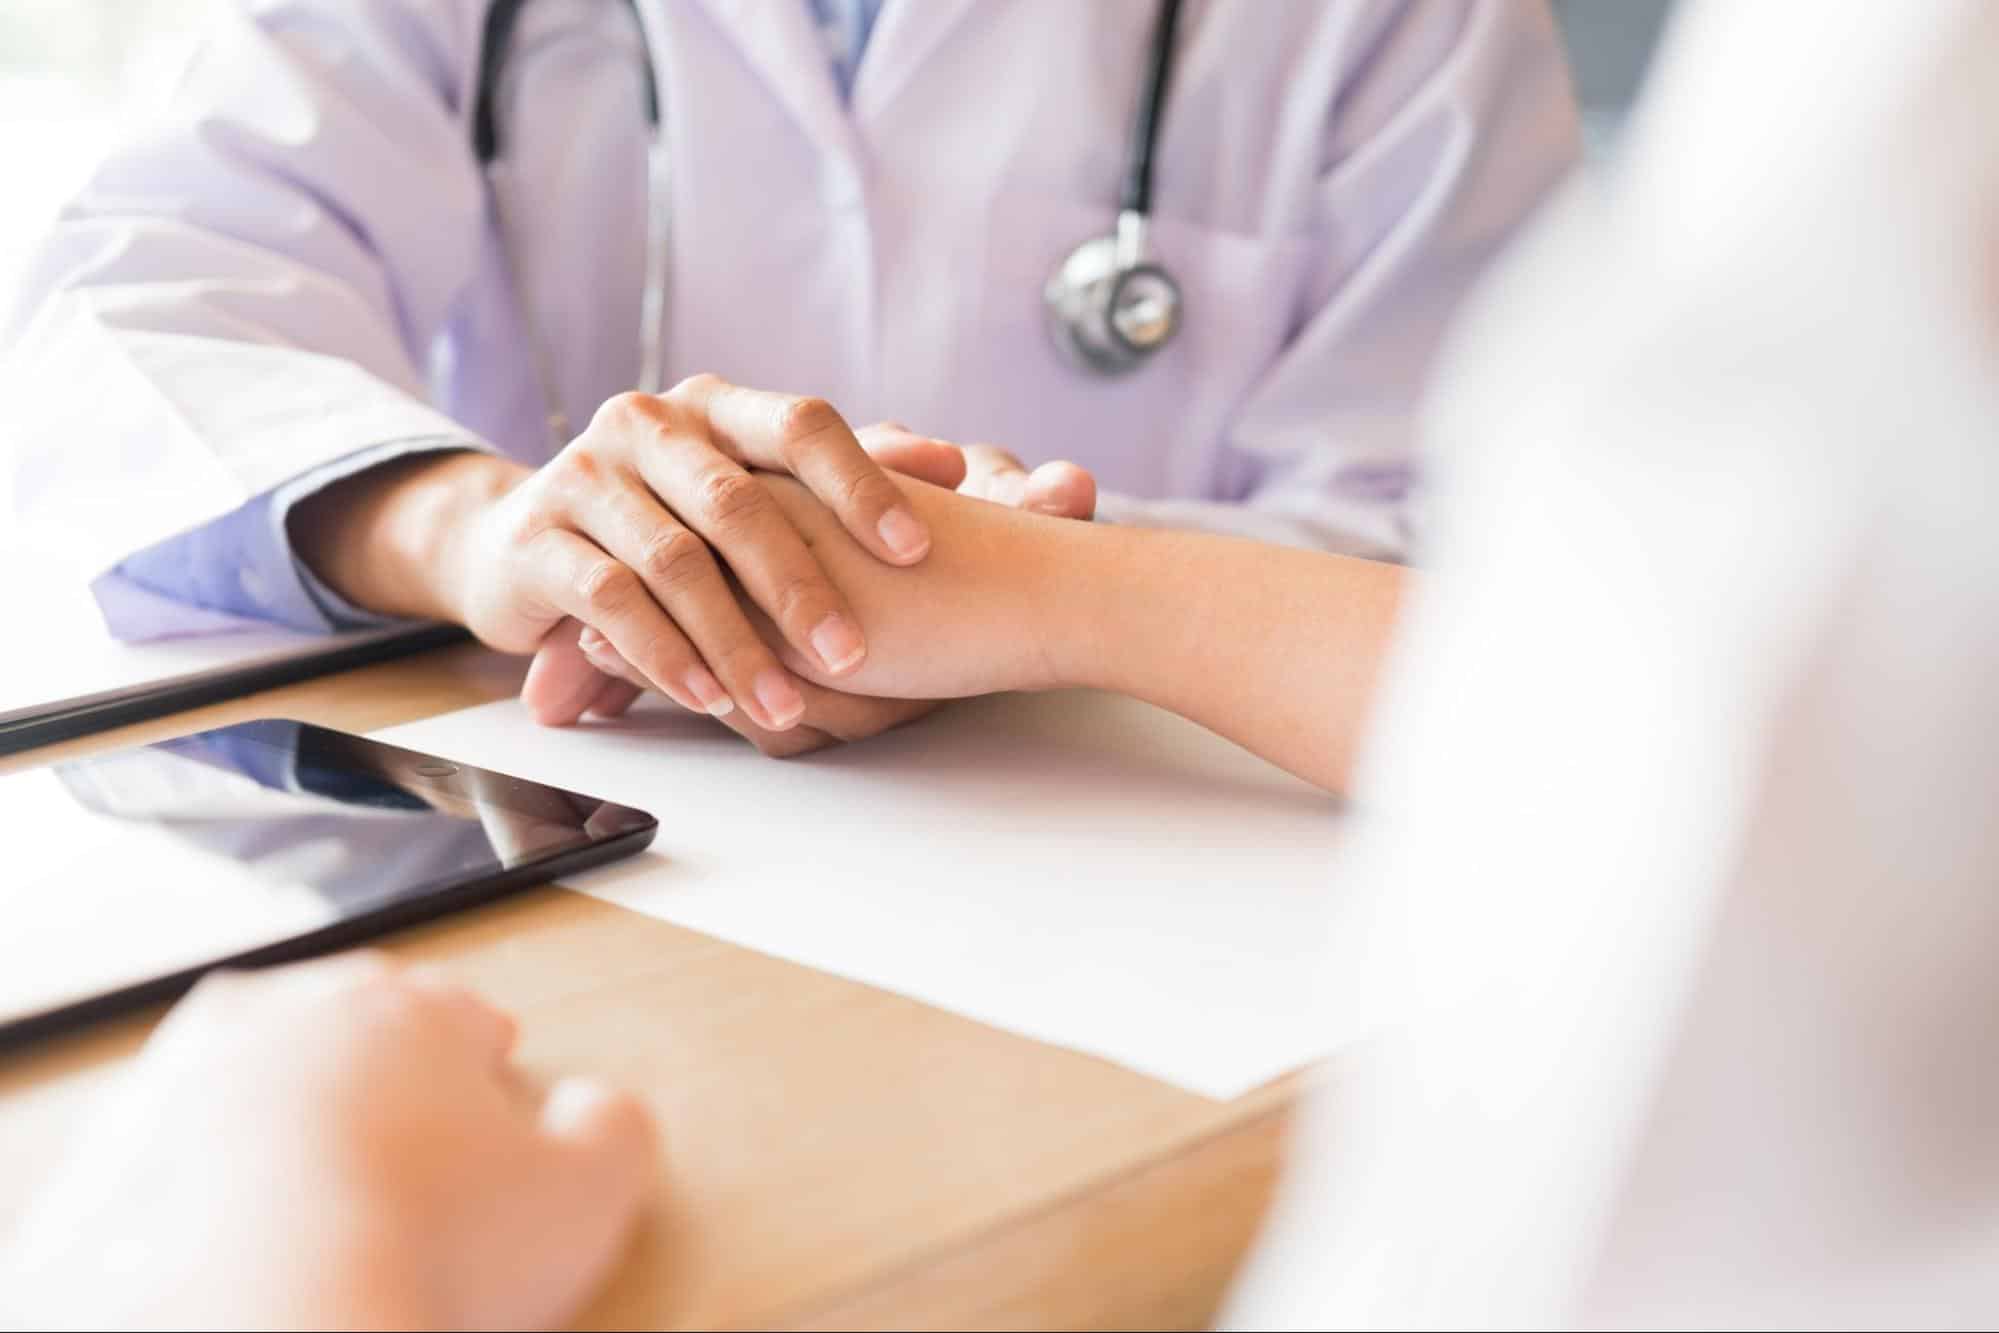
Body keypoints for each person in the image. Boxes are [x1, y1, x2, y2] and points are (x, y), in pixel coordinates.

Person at [0, 0, 1580, 754]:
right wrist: (499, 532)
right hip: (591, 818)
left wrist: (1021, 587)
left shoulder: (1409, 25)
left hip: (1166, 875)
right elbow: (120, 311)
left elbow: (1518, 572)